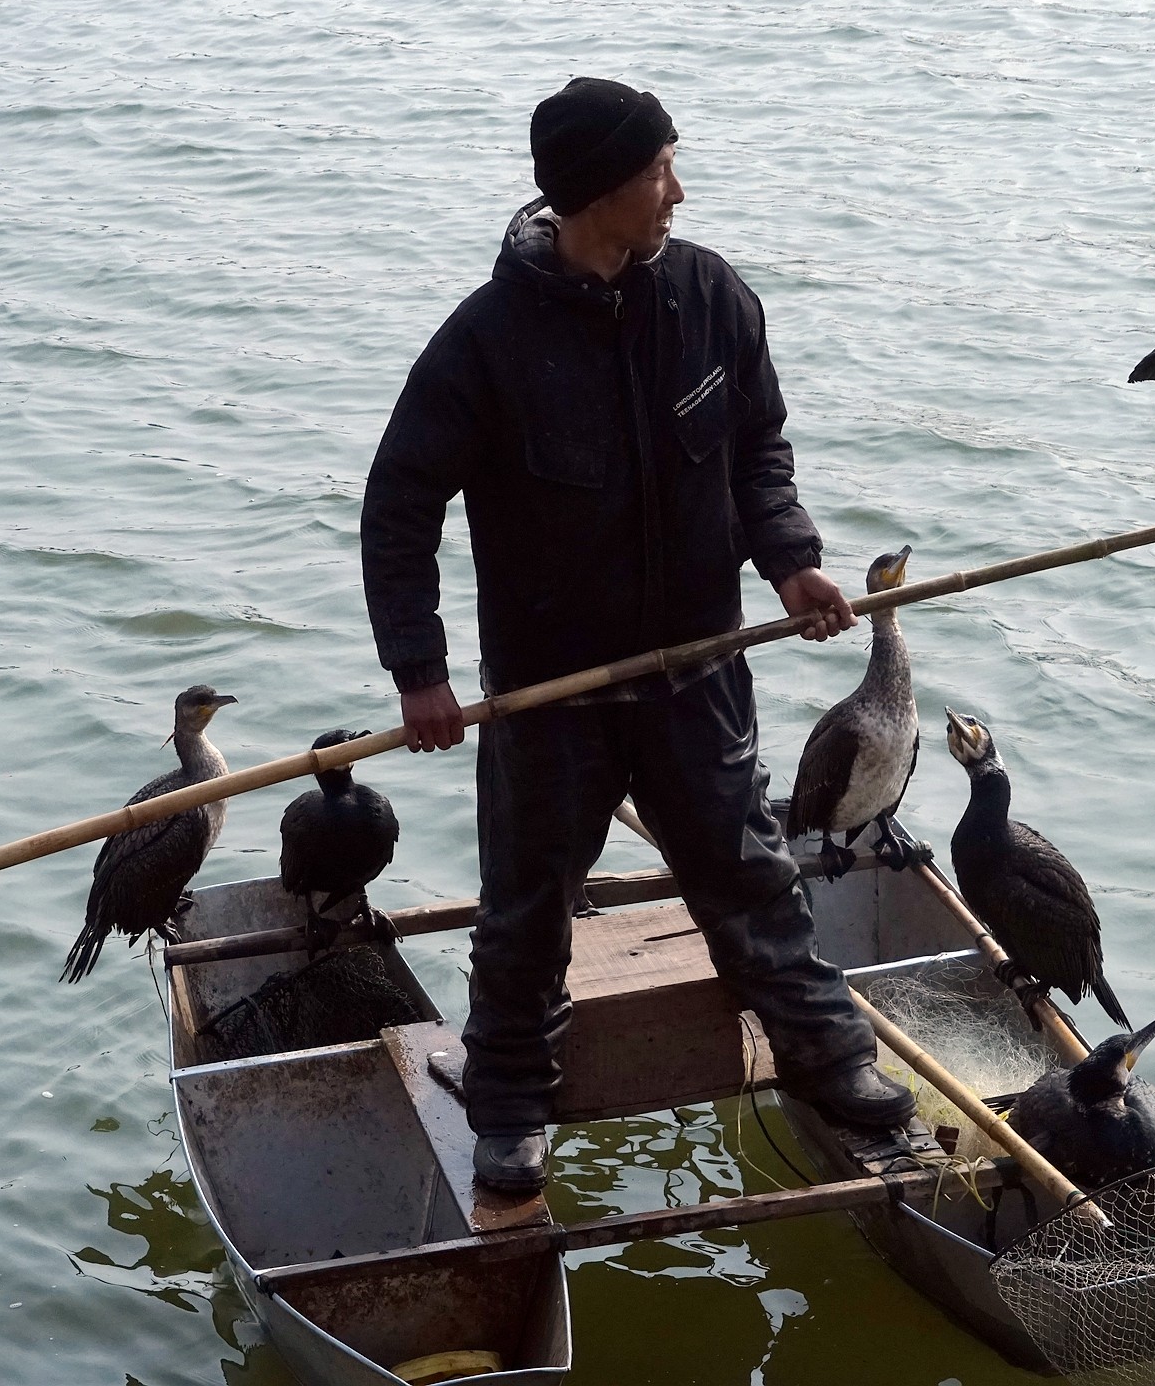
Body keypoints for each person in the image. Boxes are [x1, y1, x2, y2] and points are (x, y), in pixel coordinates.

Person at [361, 77, 914, 1193]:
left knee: (751, 873)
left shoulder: (710, 297)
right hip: (550, 687)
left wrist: (792, 558)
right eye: (661, 169)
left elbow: (759, 449)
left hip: (696, 665)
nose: (679, 189)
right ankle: (512, 1103)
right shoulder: (485, 342)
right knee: (525, 908)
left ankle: (828, 1058)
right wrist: (418, 672)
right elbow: (398, 503)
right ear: (597, 193)